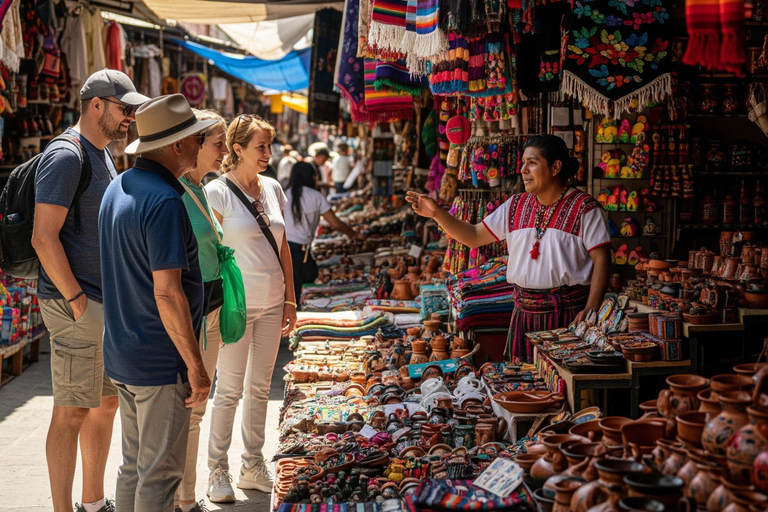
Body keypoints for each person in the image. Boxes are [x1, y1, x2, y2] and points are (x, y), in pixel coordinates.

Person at [32, 69, 149, 512]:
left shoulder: (102, 154)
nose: (130, 119)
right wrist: (78, 301)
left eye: (133, 111)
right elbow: (43, 237)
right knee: (71, 410)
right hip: (75, 302)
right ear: (96, 104)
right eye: (124, 109)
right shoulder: (66, 155)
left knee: (104, 404)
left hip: (101, 301)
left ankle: (93, 502)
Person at [99, 93, 214, 512]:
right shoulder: (164, 200)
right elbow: (167, 292)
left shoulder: (120, 186)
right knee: (159, 477)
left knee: (134, 467)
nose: (200, 146)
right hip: (158, 359)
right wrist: (196, 367)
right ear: (177, 145)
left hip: (124, 353)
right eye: (197, 139)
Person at [406, 135, 611, 362]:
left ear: (555, 167)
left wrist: (591, 309)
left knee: (561, 387)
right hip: (524, 312)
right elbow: (474, 236)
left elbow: (602, 260)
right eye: (523, 162)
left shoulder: (585, 208)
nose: (523, 170)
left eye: (532, 163)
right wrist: (437, 214)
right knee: (523, 385)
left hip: (568, 314)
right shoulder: (516, 206)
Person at [205, 115, 298, 500]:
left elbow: (283, 247)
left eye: (270, 146)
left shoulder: (274, 188)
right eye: (261, 147)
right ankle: (216, 470)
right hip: (236, 307)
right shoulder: (218, 192)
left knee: (260, 388)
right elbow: (210, 254)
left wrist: (291, 297)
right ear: (237, 149)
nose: (268, 153)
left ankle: (252, 464)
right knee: (228, 390)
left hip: (273, 302)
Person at [175, 109, 229, 512]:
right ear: (195, 143)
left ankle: (184, 497)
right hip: (190, 316)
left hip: (208, 311)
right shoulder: (176, 192)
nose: (224, 151)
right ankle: (183, 498)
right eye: (218, 142)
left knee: (195, 410)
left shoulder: (201, 187)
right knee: (189, 409)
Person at [284, 162, 364, 307]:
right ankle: (295, 318)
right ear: (312, 177)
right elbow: (336, 224)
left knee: (289, 287)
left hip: (284, 246)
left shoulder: (284, 194)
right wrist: (355, 235)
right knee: (296, 286)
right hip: (299, 249)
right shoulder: (315, 196)